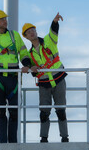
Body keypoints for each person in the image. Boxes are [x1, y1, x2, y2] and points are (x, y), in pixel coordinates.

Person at [0, 9, 31, 143]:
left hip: (13, 78)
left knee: (14, 112)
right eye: (2, 19)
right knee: (1, 112)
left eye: (5, 19)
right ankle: (2, 144)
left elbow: (24, 52)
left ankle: (13, 144)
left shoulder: (15, 35)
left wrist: (26, 65)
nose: (5, 21)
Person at [22, 12, 69, 143]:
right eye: (28, 32)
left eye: (33, 30)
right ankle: (44, 138)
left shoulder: (49, 40)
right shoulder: (29, 54)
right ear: (26, 37)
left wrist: (55, 22)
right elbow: (32, 71)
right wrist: (30, 68)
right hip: (44, 83)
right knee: (44, 112)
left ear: (36, 31)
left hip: (58, 78)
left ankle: (65, 137)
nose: (32, 33)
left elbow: (54, 31)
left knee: (61, 110)